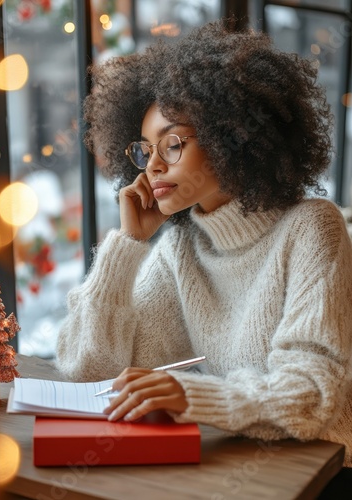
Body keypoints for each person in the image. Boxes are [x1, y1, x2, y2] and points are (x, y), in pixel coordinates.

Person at [56, 19, 352, 476]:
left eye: (172, 144)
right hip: (230, 464)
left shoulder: (312, 227)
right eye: (144, 149)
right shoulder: (183, 245)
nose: (153, 165)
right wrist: (128, 245)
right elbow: (93, 370)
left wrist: (192, 395)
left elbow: (310, 395)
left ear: (230, 137)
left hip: (320, 471)